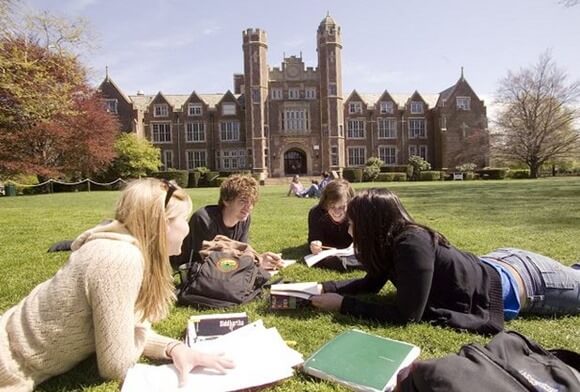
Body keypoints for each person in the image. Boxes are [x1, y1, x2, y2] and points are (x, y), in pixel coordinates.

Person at [0, 178, 234, 391]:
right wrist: (140, 323)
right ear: (161, 224)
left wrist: (174, 348)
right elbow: (116, 364)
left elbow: (122, 331)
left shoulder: (122, 249)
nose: (187, 228)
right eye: (183, 219)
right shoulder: (119, 259)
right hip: (7, 366)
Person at [311, 188, 580, 334]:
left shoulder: (410, 243)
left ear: (372, 224)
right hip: (495, 261)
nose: (348, 228)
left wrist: (344, 305)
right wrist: (326, 288)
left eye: (353, 222)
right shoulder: (389, 245)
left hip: (527, 280)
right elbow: (370, 283)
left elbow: (407, 315)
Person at [171, 174, 282, 270]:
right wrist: (257, 261)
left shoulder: (244, 219)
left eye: (252, 202)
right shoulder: (204, 219)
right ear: (226, 200)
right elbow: (213, 261)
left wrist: (258, 258)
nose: (249, 207)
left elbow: (241, 251)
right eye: (243, 201)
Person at [307, 179, 360, 270]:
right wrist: (315, 244)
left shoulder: (357, 212)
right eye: (332, 206)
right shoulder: (316, 213)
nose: (337, 212)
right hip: (328, 251)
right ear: (325, 204)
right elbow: (314, 238)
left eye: (342, 207)